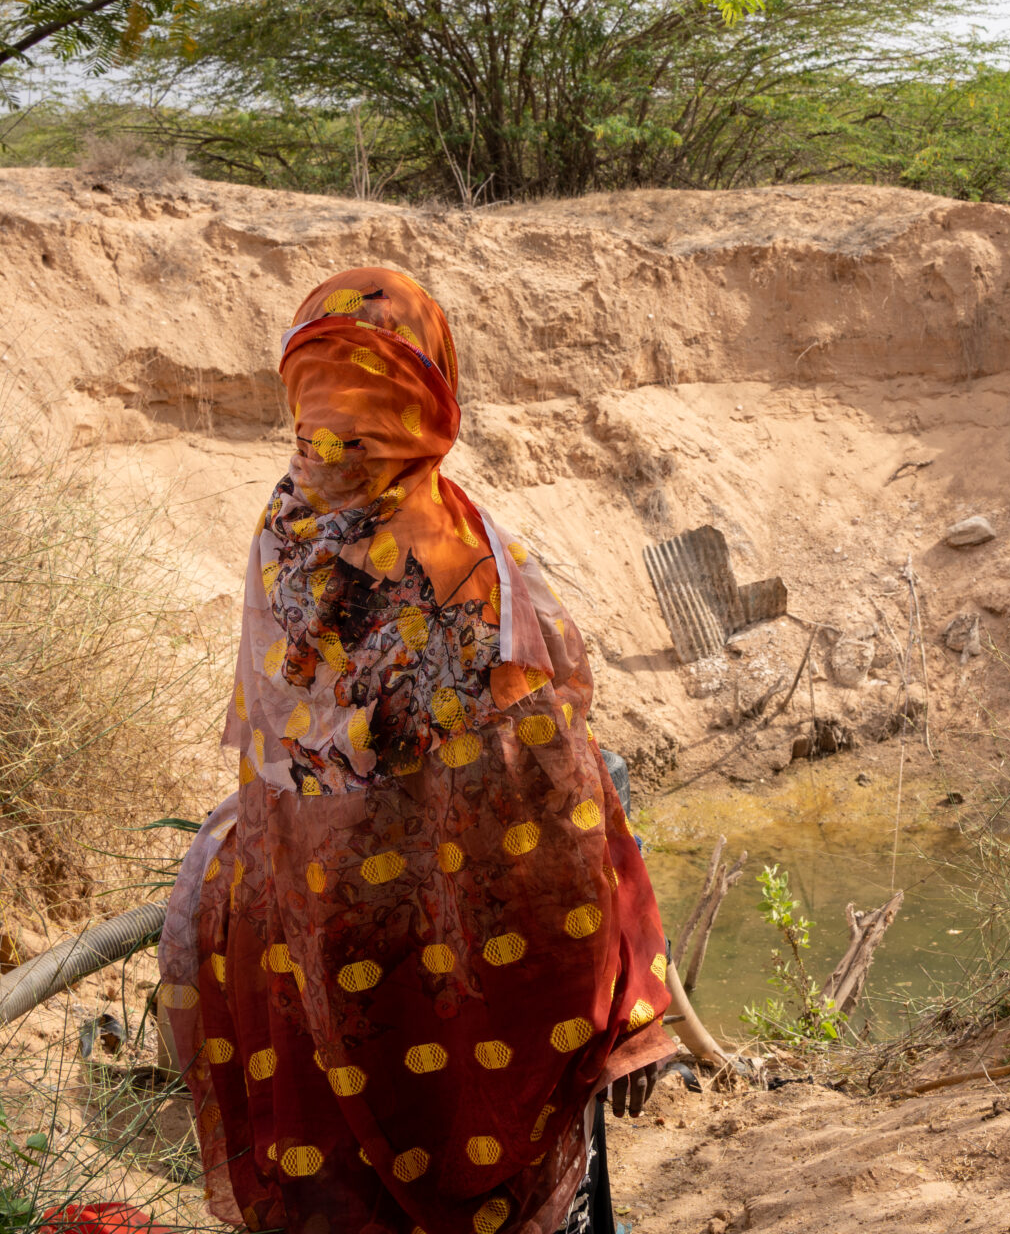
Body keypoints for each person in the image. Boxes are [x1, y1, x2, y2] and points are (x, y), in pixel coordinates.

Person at [157, 269, 676, 1234]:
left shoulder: (283, 529)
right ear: (434, 394)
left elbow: (291, 753)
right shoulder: (459, 556)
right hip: (465, 952)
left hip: (310, 936)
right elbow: (543, 784)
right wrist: (626, 974)